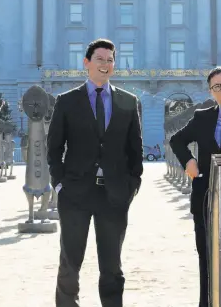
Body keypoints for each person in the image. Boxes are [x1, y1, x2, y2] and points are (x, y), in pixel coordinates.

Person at [47, 38, 143, 307]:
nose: (105, 64)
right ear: (86, 63)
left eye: (110, 59)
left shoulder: (128, 101)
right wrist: (59, 185)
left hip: (114, 195)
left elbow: (135, 150)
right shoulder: (67, 101)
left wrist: (131, 186)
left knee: (112, 265)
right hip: (75, 193)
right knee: (70, 261)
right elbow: (54, 148)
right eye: (99, 59)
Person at [169, 66, 221, 307]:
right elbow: (176, 140)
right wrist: (189, 161)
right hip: (207, 196)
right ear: (210, 91)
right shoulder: (203, 117)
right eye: (217, 86)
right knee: (207, 259)